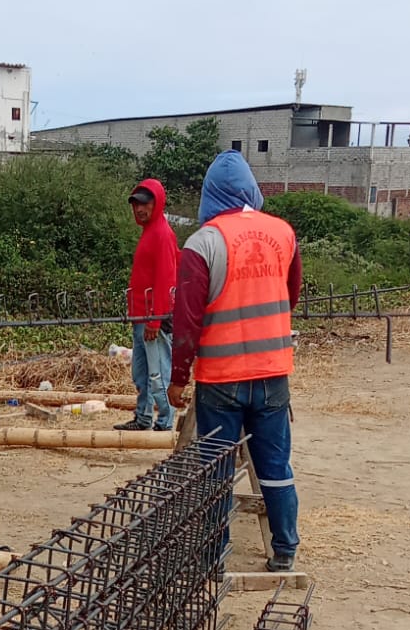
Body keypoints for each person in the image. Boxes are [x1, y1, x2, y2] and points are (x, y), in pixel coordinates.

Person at [167, 151, 303, 571]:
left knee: (216, 470)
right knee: (275, 465)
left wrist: (177, 377)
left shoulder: (203, 242)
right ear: (251, 190)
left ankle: (215, 557)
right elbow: (290, 295)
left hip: (221, 379)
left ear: (210, 194)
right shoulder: (283, 233)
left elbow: (186, 320)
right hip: (272, 374)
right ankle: (284, 550)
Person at [115, 178, 178, 433]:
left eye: (145, 203)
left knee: (158, 375)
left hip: (153, 318)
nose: (139, 209)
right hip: (141, 316)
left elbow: (166, 280)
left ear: (157, 203)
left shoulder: (162, 234)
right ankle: (143, 417)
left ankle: (165, 423)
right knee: (141, 374)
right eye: (136, 205)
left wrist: (155, 319)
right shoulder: (150, 232)